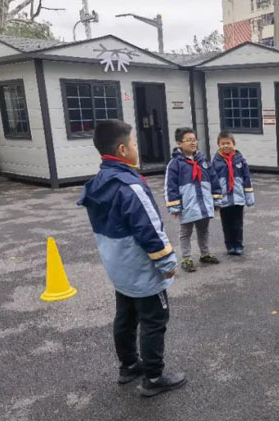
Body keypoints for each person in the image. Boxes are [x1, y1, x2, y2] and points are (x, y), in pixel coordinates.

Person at [78, 120, 186, 397]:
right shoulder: (130, 185)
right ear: (123, 150)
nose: (138, 148)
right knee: (154, 319)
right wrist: (167, 262)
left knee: (125, 316)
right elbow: (150, 228)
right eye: (135, 143)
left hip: (118, 267)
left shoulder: (98, 182)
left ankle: (128, 365)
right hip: (140, 267)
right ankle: (154, 376)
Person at [164, 127, 222, 273]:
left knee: (203, 230)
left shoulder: (203, 160)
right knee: (186, 232)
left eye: (194, 140)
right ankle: (186, 258)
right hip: (187, 204)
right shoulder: (175, 163)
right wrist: (174, 206)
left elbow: (214, 179)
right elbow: (170, 186)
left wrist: (216, 199)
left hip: (204, 203)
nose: (193, 143)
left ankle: (205, 253)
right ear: (179, 143)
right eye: (189, 140)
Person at [211, 131, 254, 255]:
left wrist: (249, 197)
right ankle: (229, 245)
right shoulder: (215, 161)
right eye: (223, 143)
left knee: (238, 224)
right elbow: (213, 180)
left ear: (233, 143)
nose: (225, 146)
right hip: (224, 199)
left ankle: (238, 244)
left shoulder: (240, 160)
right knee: (226, 224)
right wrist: (215, 199)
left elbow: (247, 178)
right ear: (218, 144)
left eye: (228, 143)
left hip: (238, 198)